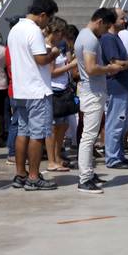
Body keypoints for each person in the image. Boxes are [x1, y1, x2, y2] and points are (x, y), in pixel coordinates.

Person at [8, 0, 61, 191]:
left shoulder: (15, 29)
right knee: (37, 135)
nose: (48, 23)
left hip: (21, 89)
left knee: (23, 132)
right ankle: (33, 177)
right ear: (42, 15)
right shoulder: (34, 31)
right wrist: (54, 53)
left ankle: (20, 174)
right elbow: (41, 59)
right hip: (37, 90)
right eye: (48, 19)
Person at [75, 8, 121, 194]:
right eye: (106, 27)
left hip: (92, 90)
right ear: (100, 21)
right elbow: (91, 68)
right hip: (92, 92)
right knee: (89, 136)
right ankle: (84, 179)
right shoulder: (90, 39)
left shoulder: (83, 36)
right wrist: (110, 68)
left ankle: (88, 174)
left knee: (90, 135)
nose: (106, 31)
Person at [101, 8, 128, 170]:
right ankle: (113, 158)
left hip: (123, 86)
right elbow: (116, 64)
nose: (125, 21)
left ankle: (118, 154)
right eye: (122, 18)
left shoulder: (116, 38)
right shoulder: (108, 39)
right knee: (115, 122)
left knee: (122, 123)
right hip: (116, 86)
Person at [44, 17, 73, 173]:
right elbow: (51, 72)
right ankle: (51, 160)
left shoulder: (55, 46)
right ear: (55, 31)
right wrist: (71, 65)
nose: (62, 37)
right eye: (61, 33)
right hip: (53, 89)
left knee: (62, 126)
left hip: (62, 89)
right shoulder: (48, 47)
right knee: (53, 126)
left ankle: (57, 156)